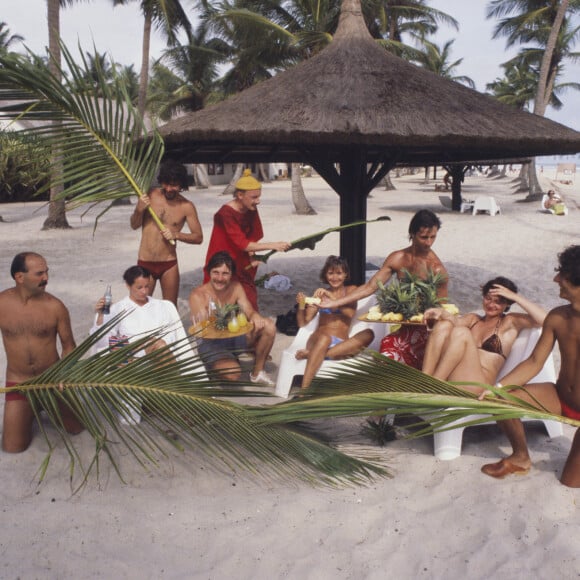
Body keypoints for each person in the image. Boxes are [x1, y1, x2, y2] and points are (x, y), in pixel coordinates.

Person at [477, 246, 580, 487]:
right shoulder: (557, 317)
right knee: (499, 400)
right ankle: (520, 457)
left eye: (561, 274)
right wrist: (498, 387)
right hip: (560, 396)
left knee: (570, 483)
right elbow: (534, 362)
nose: (556, 279)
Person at [320, 209, 448, 369]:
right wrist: (335, 303)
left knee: (392, 357)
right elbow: (369, 287)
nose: (428, 242)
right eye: (424, 237)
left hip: (428, 332)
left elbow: (442, 310)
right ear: (412, 234)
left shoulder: (437, 269)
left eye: (433, 237)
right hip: (404, 329)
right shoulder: (398, 258)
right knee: (385, 352)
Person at [0, 252, 83, 452]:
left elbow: (69, 345)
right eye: (39, 274)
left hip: (53, 380)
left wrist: (64, 374)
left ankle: (41, 407)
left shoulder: (55, 307)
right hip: (19, 382)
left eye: (46, 272)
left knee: (77, 428)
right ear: (20, 277)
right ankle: (31, 408)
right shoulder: (2, 303)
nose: (46, 278)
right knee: (13, 448)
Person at [90, 265, 194, 424]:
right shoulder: (118, 308)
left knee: (159, 345)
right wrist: (100, 316)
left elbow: (175, 334)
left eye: (147, 286)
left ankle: (169, 402)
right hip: (132, 356)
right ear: (128, 286)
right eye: (139, 287)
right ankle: (172, 403)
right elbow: (103, 341)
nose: (144, 291)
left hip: (162, 354)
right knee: (156, 344)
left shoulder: (161, 306)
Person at [422, 277, 546, 392]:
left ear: (507, 304)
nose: (491, 304)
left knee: (462, 332)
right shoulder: (473, 320)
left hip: (479, 385)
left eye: (498, 302)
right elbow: (452, 321)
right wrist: (439, 312)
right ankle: (424, 379)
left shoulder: (509, 322)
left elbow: (546, 320)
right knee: (444, 325)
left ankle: (434, 384)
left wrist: (515, 297)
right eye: (488, 298)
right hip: (456, 375)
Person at [203, 169, 291, 311]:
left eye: (259, 196)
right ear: (240, 195)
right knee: (220, 308)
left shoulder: (250, 207)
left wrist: (253, 256)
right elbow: (242, 243)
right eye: (254, 197)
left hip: (242, 261)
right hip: (222, 263)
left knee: (249, 303)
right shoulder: (225, 214)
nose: (258, 201)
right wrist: (274, 245)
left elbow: (253, 236)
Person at [190, 251, 276, 385]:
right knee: (233, 374)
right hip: (211, 344)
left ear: (231, 275)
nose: (220, 278)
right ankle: (214, 366)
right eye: (216, 272)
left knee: (269, 326)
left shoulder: (236, 287)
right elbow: (204, 330)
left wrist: (255, 317)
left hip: (234, 337)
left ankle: (257, 373)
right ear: (209, 272)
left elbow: (249, 310)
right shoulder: (198, 295)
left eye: (225, 273)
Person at [295, 256, 374, 390]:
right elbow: (303, 323)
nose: (334, 277)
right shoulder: (320, 295)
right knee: (325, 338)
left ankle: (312, 354)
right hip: (319, 339)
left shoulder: (351, 291)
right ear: (325, 275)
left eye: (339, 273)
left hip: (340, 344)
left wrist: (332, 298)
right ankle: (304, 392)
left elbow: (350, 313)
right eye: (330, 273)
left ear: (345, 275)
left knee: (369, 334)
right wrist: (302, 305)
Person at [130, 160, 203, 305]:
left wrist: (176, 234)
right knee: (141, 307)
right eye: (166, 184)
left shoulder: (187, 206)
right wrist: (139, 209)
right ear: (161, 181)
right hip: (145, 262)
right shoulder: (150, 195)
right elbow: (134, 225)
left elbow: (198, 237)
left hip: (169, 264)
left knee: (170, 309)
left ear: (182, 185)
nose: (169, 189)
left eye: (174, 185)